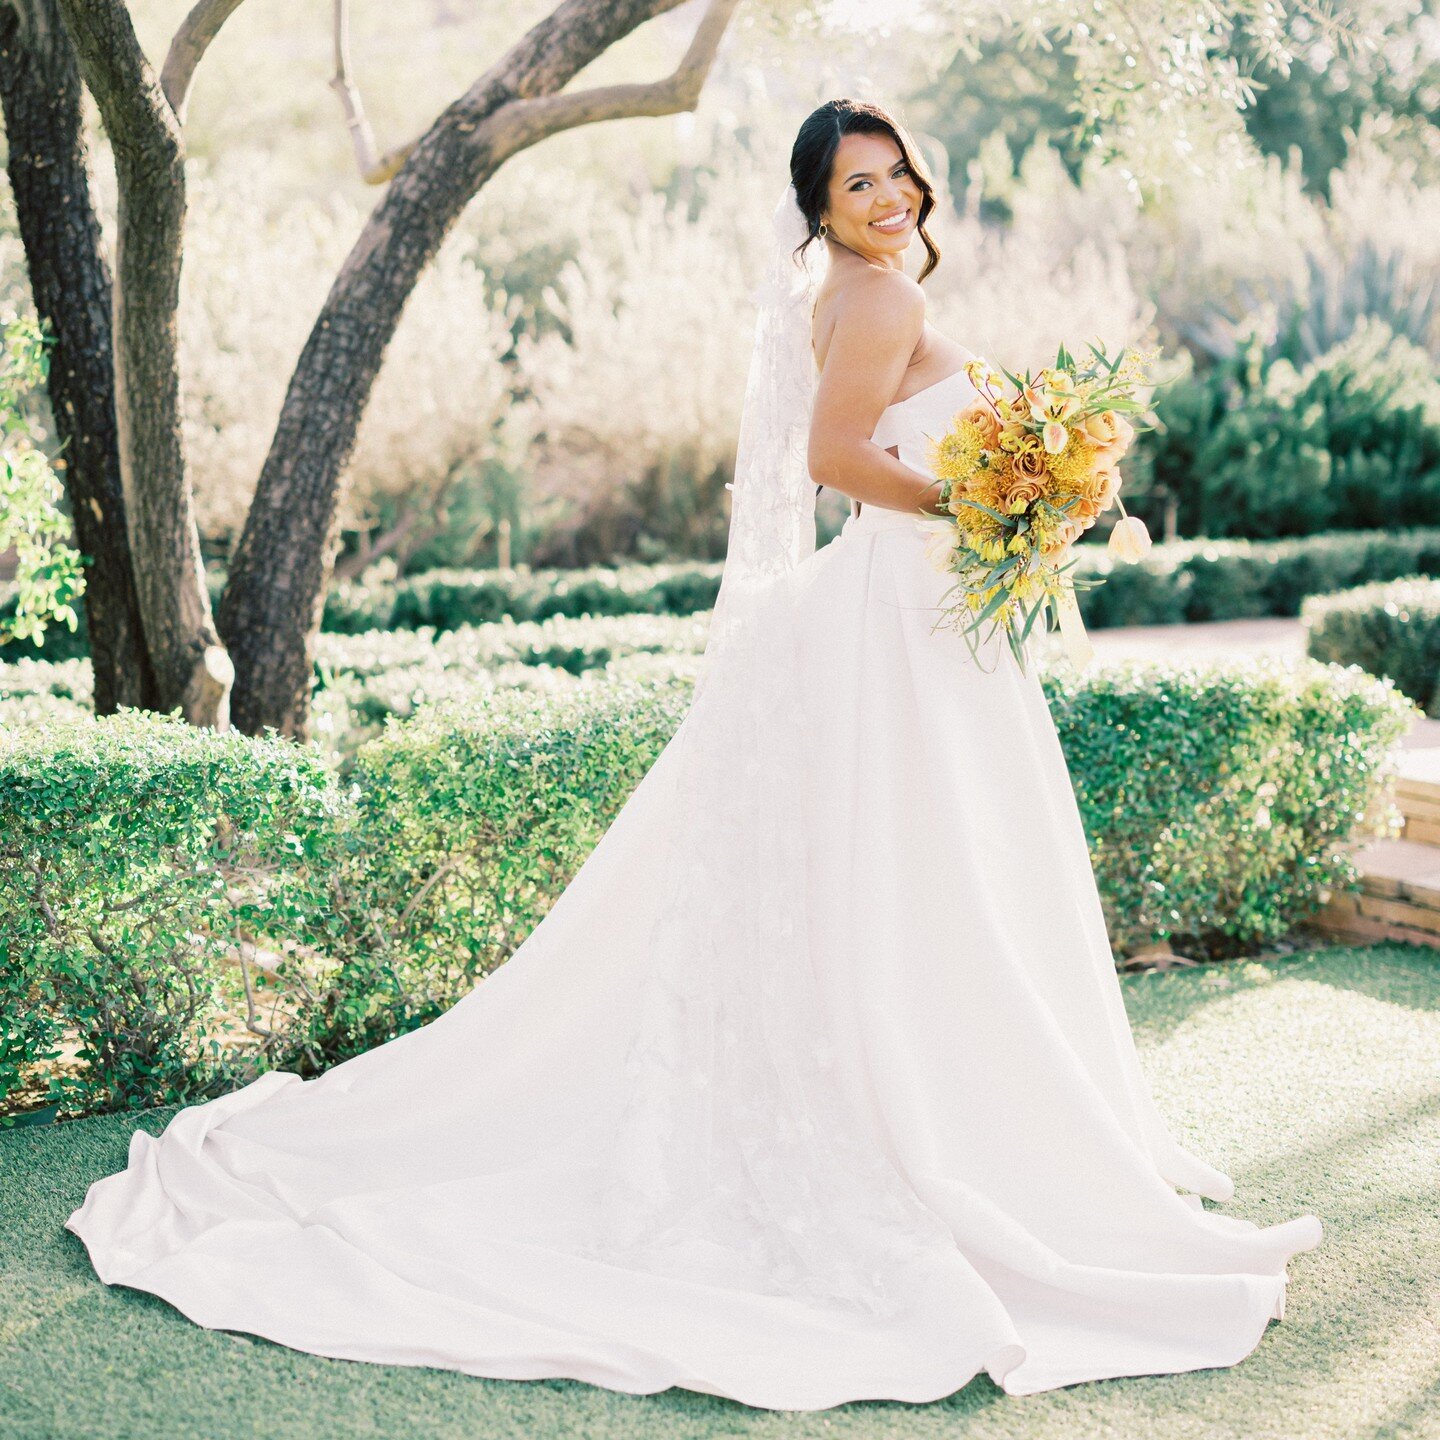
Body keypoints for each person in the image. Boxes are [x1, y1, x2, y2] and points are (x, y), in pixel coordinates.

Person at [64, 97, 1323, 1411]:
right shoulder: (877, 302)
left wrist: (1025, 493)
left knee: (929, 875)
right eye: (857, 185)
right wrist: (985, 495)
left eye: (897, 173)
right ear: (818, 207)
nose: (889, 197)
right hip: (900, 615)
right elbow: (838, 457)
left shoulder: (856, 288)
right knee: (940, 875)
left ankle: (961, 1106)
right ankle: (954, 1131)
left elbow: (860, 446)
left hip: (912, 612)